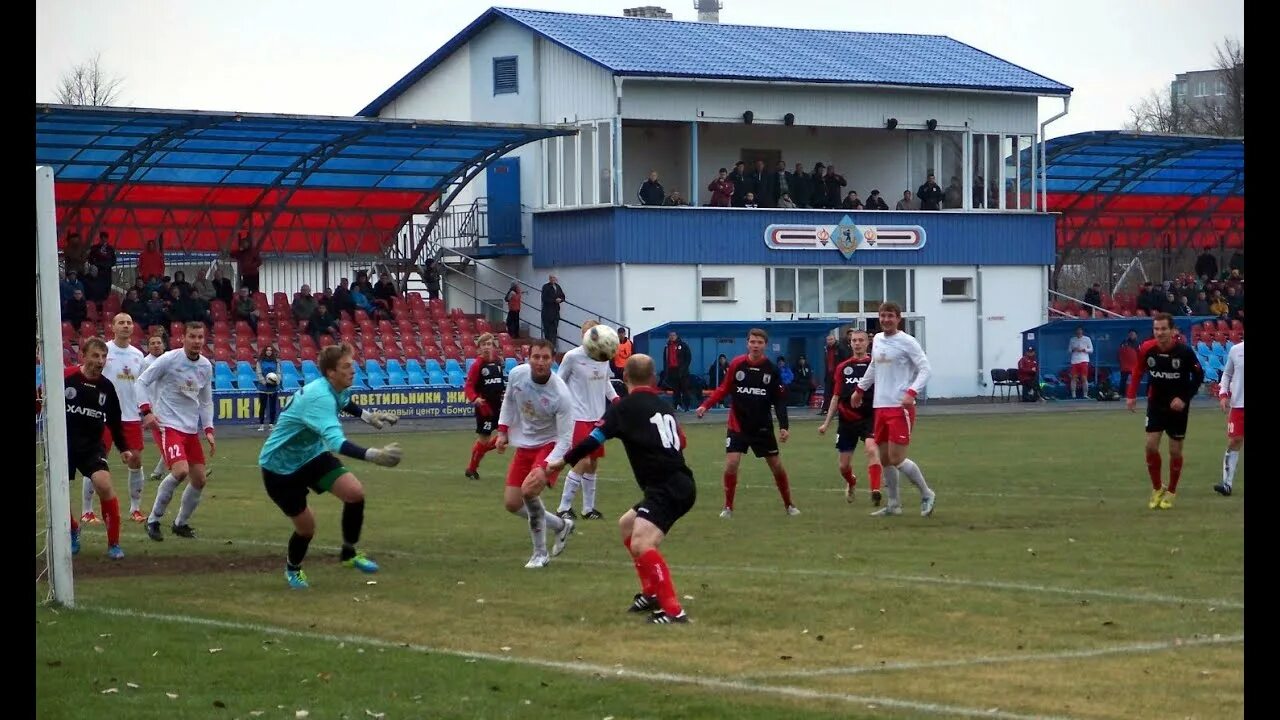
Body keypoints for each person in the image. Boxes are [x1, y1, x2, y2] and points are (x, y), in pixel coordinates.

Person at [546, 354, 695, 624]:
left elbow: (593, 440)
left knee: (641, 542)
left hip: (667, 488)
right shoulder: (664, 406)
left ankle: (673, 610)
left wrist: (562, 462)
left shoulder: (623, 408)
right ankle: (651, 592)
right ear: (653, 378)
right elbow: (681, 441)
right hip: (677, 482)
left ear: (624, 377)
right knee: (627, 525)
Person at [258, 343, 404, 589]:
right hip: (279, 467)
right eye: (346, 366)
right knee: (307, 529)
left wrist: (368, 416)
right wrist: (374, 455)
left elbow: (344, 402)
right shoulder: (320, 397)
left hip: (311, 455)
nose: (353, 370)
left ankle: (349, 554)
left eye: (352, 365)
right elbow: (336, 442)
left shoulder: (336, 388)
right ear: (331, 372)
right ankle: (293, 569)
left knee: (354, 493)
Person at [696, 328, 797, 518]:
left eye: (759, 342)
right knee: (731, 464)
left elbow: (779, 400)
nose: (755, 345)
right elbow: (724, 388)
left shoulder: (772, 369)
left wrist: (784, 426)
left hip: (762, 426)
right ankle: (728, 507)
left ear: (765, 345)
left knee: (776, 466)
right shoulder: (737, 364)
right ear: (747, 343)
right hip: (738, 424)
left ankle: (789, 504)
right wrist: (705, 405)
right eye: (752, 342)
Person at [494, 339, 577, 568]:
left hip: (550, 445)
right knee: (512, 503)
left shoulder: (561, 394)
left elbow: (566, 439)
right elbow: (509, 402)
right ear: (528, 358)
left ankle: (540, 554)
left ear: (553, 360)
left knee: (529, 492)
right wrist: (502, 431)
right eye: (536, 357)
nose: (540, 362)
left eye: (545, 358)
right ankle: (561, 525)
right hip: (525, 445)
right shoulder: (517, 375)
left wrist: (546, 465)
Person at [853, 303, 936, 518]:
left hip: (900, 408)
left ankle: (927, 493)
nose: (886, 319)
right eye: (883, 316)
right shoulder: (878, 339)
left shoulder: (907, 342)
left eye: (890, 316)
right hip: (880, 407)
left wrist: (912, 392)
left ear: (898, 318)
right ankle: (894, 504)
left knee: (897, 458)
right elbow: (874, 366)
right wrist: (860, 389)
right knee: (885, 459)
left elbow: (925, 369)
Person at [135, 322, 215, 541]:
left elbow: (206, 401)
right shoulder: (169, 359)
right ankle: (153, 520)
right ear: (183, 338)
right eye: (192, 336)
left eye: (200, 337)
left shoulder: (205, 366)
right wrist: (146, 412)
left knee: (199, 480)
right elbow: (141, 382)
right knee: (180, 471)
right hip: (167, 424)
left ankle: (180, 524)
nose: (197, 341)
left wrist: (208, 428)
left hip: (190, 429)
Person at [1125, 312, 1205, 510]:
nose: (1159, 333)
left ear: (1172, 330)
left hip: (1178, 407)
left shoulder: (1184, 352)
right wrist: (1131, 394)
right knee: (1150, 446)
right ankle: (1157, 488)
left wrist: (1184, 398)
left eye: (1163, 329)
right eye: (1156, 329)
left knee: (1175, 450)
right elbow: (1138, 370)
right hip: (1156, 403)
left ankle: (1172, 491)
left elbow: (1198, 376)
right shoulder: (1147, 348)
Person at [64, 338, 135, 560]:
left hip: (92, 446)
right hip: (63, 445)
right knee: (59, 493)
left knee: (104, 484)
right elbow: (41, 398)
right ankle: (72, 530)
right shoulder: (66, 377)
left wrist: (123, 448)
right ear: (83, 355)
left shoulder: (106, 387)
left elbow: (114, 421)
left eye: (104, 357)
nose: (100, 361)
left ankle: (114, 543)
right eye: (95, 356)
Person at [81, 314, 149, 526]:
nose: (126, 326)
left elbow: (143, 385)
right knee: (95, 462)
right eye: (121, 322)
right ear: (112, 327)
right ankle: (87, 511)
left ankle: (135, 509)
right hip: (103, 417)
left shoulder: (139, 355)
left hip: (130, 416)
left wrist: (147, 409)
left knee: (135, 460)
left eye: (129, 323)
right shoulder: (105, 352)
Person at [554, 321, 620, 520]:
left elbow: (606, 382)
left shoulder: (603, 355)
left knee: (593, 463)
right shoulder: (572, 357)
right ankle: (563, 507)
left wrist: (616, 400)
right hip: (577, 417)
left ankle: (588, 509)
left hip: (598, 417)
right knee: (582, 460)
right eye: (587, 334)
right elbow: (558, 383)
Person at [818, 329, 882, 506]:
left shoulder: (875, 365)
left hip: (870, 417)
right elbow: (836, 396)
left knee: (872, 450)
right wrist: (826, 423)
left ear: (868, 343)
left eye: (861, 340)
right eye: (854, 340)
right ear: (850, 343)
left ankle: (875, 490)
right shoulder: (843, 367)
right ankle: (851, 482)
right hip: (847, 420)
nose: (858, 343)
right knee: (843, 466)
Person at [463, 333, 506, 480]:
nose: (487, 347)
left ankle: (480, 451)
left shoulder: (498, 362)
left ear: (493, 346)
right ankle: (472, 469)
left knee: (508, 434)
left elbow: (500, 383)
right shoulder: (477, 365)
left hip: (499, 407)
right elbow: (469, 386)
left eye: (489, 344)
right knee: (484, 439)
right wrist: (475, 398)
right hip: (485, 408)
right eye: (484, 345)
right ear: (479, 348)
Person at [1216, 341, 1244, 496]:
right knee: (1235, 441)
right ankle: (1227, 484)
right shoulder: (1236, 350)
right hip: (1239, 405)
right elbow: (1227, 374)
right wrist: (1223, 394)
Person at [662, 331, 693, 412]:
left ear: (677, 336)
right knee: (675, 390)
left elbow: (688, 357)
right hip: (672, 371)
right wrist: (666, 370)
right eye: (670, 335)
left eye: (673, 335)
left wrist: (684, 368)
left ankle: (686, 406)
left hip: (682, 371)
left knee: (685, 389)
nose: (672, 337)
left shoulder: (683, 345)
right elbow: (665, 359)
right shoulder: (667, 347)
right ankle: (677, 405)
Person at [256, 345, 281, 432]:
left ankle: (271, 424)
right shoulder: (260, 362)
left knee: (273, 407)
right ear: (265, 351)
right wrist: (265, 382)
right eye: (267, 350)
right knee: (262, 406)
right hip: (263, 388)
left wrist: (276, 382)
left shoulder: (276, 362)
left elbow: (278, 373)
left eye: (270, 350)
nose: (269, 352)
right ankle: (261, 424)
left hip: (273, 388)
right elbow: (259, 373)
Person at [1068, 326, 1094, 399]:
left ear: (1082, 331)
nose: (1079, 332)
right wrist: (1074, 349)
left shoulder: (1087, 339)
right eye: (1077, 331)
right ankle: (1073, 395)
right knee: (1074, 378)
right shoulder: (1072, 339)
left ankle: (1085, 395)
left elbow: (1091, 350)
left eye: (1080, 330)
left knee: (1084, 378)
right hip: (1074, 361)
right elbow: (1069, 350)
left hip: (1084, 360)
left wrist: (1084, 350)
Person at [540, 275, 565, 345]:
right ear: (549, 279)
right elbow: (544, 299)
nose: (553, 279)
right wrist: (554, 300)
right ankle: (548, 346)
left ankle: (553, 346)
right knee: (548, 332)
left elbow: (563, 296)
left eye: (554, 278)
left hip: (555, 312)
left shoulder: (558, 286)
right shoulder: (545, 287)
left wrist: (560, 300)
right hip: (547, 312)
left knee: (554, 331)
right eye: (551, 278)